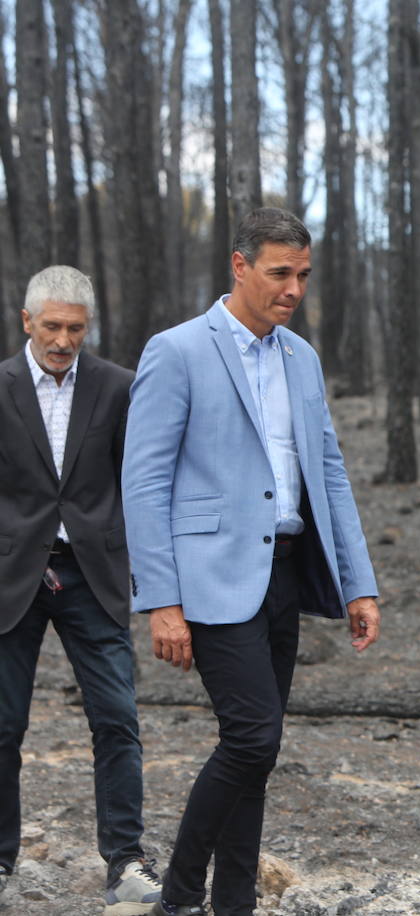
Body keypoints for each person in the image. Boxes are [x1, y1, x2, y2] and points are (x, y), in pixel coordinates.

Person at [123, 208, 381, 916]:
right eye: (279, 273)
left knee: (257, 751)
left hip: (287, 573)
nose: (293, 289)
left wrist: (359, 584)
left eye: (302, 275)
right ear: (239, 267)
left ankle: (234, 902)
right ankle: (178, 896)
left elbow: (328, 472)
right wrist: (161, 600)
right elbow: (143, 484)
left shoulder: (302, 359)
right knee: (252, 736)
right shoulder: (176, 352)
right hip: (209, 577)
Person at [0, 266, 162, 915]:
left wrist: (146, 575)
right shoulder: (1, 385)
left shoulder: (118, 387)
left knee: (117, 720)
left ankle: (125, 861)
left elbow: (139, 481)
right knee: (2, 724)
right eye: (53, 327)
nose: (64, 339)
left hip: (93, 575)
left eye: (76, 328)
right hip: (11, 577)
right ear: (27, 322)